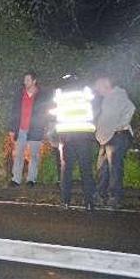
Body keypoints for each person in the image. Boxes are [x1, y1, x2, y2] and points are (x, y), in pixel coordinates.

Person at [49, 75, 97, 211]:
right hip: (84, 136)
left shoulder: (60, 94)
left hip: (67, 137)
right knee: (86, 170)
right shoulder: (86, 93)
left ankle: (65, 202)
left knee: (66, 170)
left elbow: (54, 113)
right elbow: (94, 109)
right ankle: (89, 203)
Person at [94, 75, 135, 209]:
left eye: (99, 86)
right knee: (102, 167)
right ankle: (101, 194)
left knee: (114, 168)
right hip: (106, 137)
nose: (97, 89)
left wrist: (121, 125)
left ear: (106, 84)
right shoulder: (105, 99)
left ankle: (114, 197)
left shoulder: (119, 95)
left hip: (117, 137)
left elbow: (130, 109)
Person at [7, 71, 49, 187]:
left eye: (28, 80)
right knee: (18, 155)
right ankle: (16, 179)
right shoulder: (20, 95)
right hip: (21, 129)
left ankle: (31, 179)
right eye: (24, 80)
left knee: (34, 156)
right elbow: (14, 112)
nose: (25, 82)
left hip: (35, 130)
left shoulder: (42, 96)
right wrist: (12, 128)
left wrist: (43, 127)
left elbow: (45, 113)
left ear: (34, 81)